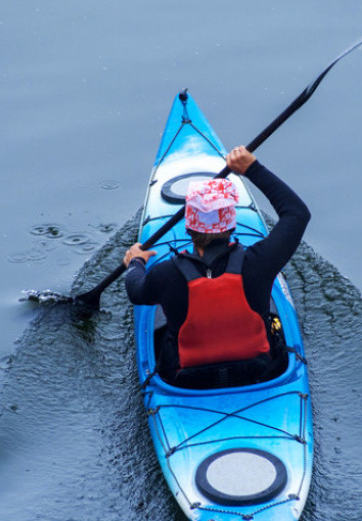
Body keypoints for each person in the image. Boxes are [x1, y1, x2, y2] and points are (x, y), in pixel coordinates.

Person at [123, 146, 310, 387]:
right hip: (258, 373)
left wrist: (136, 262)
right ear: (232, 225)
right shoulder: (260, 262)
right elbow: (297, 214)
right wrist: (253, 169)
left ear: (188, 228)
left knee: (159, 313)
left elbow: (135, 291)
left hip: (189, 382)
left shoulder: (165, 274)